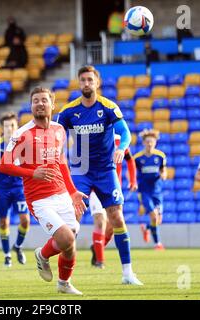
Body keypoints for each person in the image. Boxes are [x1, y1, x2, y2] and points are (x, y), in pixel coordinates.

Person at [56, 65, 143, 285]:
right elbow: (55, 135)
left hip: (105, 170)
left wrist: (121, 148)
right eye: (83, 80)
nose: (86, 83)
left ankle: (127, 273)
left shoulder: (108, 107)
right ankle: (64, 278)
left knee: (117, 218)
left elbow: (124, 132)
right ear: (79, 83)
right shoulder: (68, 111)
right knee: (71, 221)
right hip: (80, 171)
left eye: (90, 80)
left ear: (97, 83)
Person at [0, 87, 87, 295]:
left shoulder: (58, 130)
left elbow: (62, 162)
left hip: (62, 193)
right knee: (66, 239)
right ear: (31, 106)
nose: (39, 103)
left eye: (44, 100)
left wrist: (73, 191)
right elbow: (4, 165)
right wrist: (31, 173)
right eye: (35, 100)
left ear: (52, 105)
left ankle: (64, 284)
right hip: (40, 199)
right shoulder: (22, 134)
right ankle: (42, 255)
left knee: (70, 242)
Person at [0, 112, 30, 267]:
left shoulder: (24, 144)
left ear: (17, 126)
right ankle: (7, 255)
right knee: (4, 223)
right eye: (6, 126)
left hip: (19, 188)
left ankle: (17, 246)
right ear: (3, 128)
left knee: (25, 220)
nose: (9, 128)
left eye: (12, 125)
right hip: (2, 190)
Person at [89, 134, 137, 268]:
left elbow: (130, 160)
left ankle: (97, 247)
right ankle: (100, 261)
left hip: (114, 188)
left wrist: (133, 180)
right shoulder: (94, 136)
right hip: (95, 186)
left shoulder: (119, 141)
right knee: (100, 221)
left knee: (111, 228)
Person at [133, 129, 167, 251]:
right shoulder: (137, 158)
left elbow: (163, 169)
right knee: (154, 216)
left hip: (157, 191)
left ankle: (146, 228)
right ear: (143, 143)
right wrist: (133, 182)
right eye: (147, 142)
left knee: (158, 220)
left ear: (155, 142)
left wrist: (164, 175)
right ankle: (157, 244)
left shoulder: (160, 156)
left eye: (152, 142)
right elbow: (130, 172)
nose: (149, 144)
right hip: (144, 192)